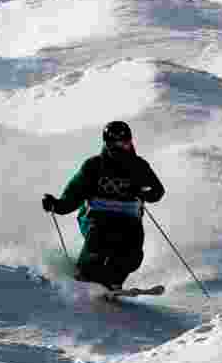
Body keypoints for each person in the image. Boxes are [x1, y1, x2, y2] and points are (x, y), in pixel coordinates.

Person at [42, 120, 165, 291]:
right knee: (100, 241)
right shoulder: (94, 166)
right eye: (114, 144)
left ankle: (114, 281)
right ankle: (85, 276)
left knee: (132, 249)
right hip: (96, 216)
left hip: (129, 218)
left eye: (124, 143)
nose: (120, 147)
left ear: (130, 142)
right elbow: (74, 193)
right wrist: (57, 205)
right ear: (106, 143)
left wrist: (141, 193)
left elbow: (158, 191)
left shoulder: (138, 166)